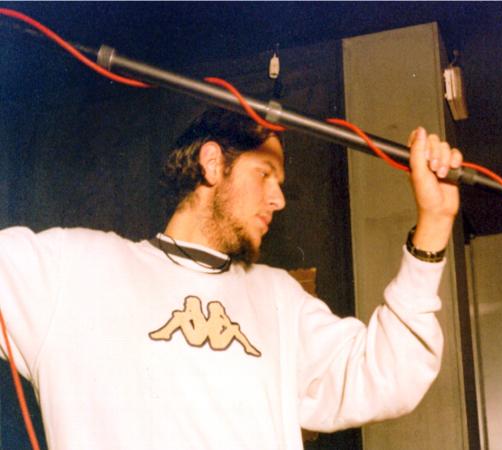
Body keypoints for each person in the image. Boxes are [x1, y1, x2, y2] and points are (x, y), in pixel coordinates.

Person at [0, 107, 462, 449]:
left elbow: (388, 372)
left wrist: (435, 222)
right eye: (265, 174)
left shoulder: (279, 298)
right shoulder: (77, 269)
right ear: (212, 163)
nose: (278, 199)